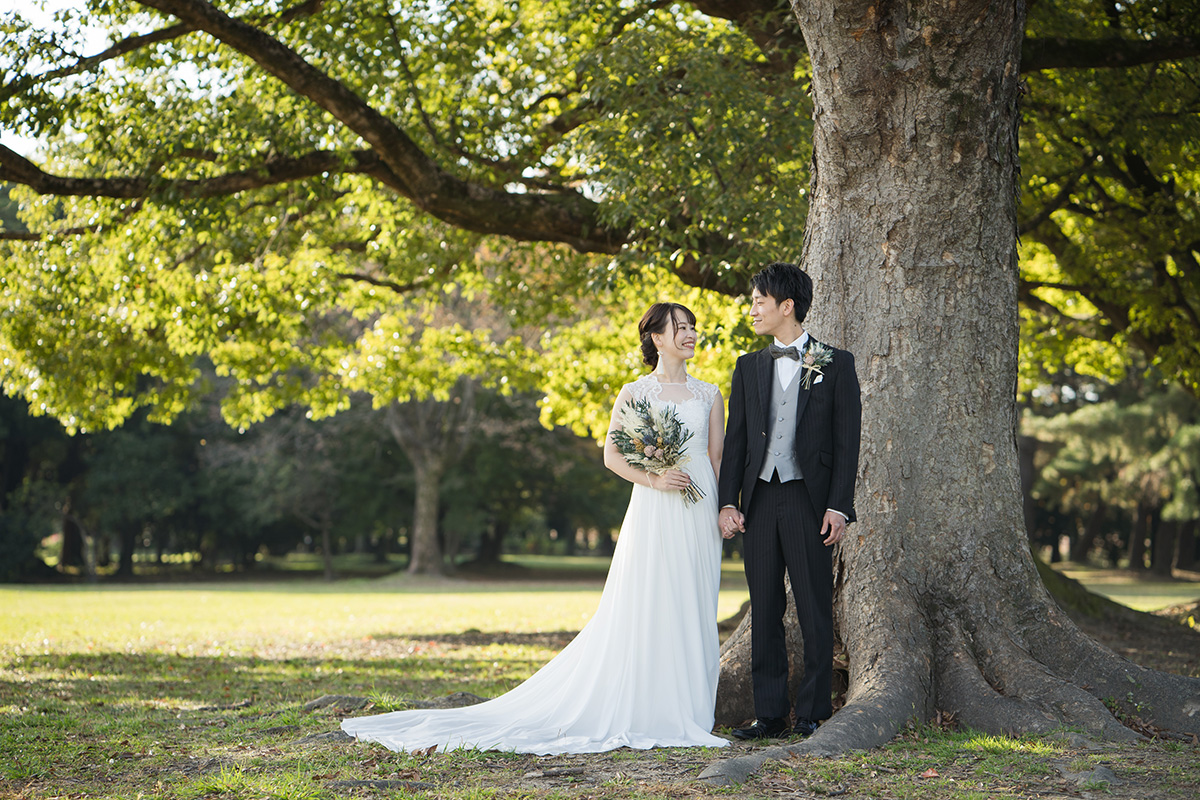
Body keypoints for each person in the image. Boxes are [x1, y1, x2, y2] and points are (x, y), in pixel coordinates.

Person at [340, 302, 733, 755]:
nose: (690, 334)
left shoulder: (709, 394)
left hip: (698, 506)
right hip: (655, 507)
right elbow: (612, 455)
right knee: (651, 601)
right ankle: (655, 709)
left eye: (692, 328)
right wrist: (655, 479)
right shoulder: (635, 392)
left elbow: (716, 456)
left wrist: (724, 507)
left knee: (695, 599)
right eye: (680, 328)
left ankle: (693, 710)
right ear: (657, 338)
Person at [717, 262, 862, 740]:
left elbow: (847, 442)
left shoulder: (836, 363)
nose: (752, 308)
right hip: (758, 504)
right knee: (764, 609)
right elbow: (736, 443)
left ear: (787, 306)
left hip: (809, 502)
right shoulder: (748, 366)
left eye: (760, 300)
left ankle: (815, 711)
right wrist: (727, 503)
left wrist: (839, 506)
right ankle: (770, 714)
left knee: (815, 607)